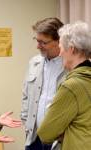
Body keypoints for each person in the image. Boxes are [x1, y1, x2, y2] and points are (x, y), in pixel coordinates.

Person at [37, 21, 91, 150]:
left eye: (61, 48)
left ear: (71, 49)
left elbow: (45, 134)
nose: (60, 54)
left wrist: (65, 129)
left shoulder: (71, 86)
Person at [20, 17, 66, 150]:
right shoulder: (34, 62)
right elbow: (25, 95)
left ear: (59, 41)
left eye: (43, 42)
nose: (37, 46)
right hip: (34, 138)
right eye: (37, 40)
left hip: (58, 140)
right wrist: (25, 121)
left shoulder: (70, 66)